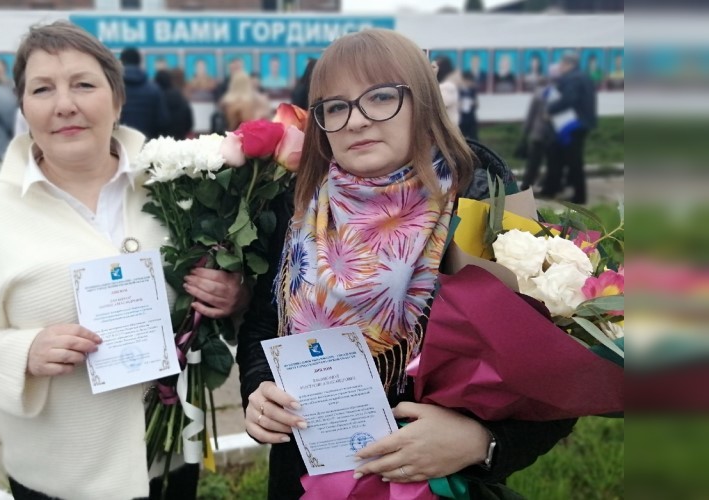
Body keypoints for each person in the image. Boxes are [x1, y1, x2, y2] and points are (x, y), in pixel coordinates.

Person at [0, 21, 249, 500]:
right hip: (59, 475)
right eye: (42, 89)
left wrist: (234, 297)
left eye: (83, 84)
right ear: (23, 107)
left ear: (117, 100)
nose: (64, 104)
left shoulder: (178, 188)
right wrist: (21, 351)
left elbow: (226, 293)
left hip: (170, 458)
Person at [236, 29, 576, 500]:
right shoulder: (298, 206)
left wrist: (482, 442)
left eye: (380, 97)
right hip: (306, 478)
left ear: (423, 103)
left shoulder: (483, 202)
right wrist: (258, 390)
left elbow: (553, 367)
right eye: (335, 106)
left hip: (441, 485)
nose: (356, 120)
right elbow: (262, 326)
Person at [540, 52, 598, 204]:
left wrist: (549, 110)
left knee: (573, 161)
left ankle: (579, 197)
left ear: (568, 64)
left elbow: (568, 99)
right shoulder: (583, 76)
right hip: (578, 124)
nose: (560, 67)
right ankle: (552, 189)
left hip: (572, 125)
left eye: (561, 64)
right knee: (560, 156)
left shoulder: (573, 78)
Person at [517, 67, 558, 192]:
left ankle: (526, 185)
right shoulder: (558, 94)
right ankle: (549, 186)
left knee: (534, 162)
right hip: (553, 134)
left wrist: (525, 132)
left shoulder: (538, 94)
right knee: (552, 162)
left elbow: (531, 114)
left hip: (538, 133)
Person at [119, 47, 169, 140]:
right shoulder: (154, 89)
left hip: (121, 143)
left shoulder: (114, 89)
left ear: (121, 62)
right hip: (147, 142)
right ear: (139, 62)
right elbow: (163, 121)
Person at [155, 68, 194, 140]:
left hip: (161, 139)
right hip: (180, 137)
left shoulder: (157, 99)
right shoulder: (181, 97)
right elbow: (189, 123)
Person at [433, 55, 460, 126]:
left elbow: (437, 104)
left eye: (434, 67)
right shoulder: (442, 85)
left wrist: (433, 77)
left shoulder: (448, 86)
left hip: (447, 127)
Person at [458, 71, 479, 141]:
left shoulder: (472, 91)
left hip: (470, 117)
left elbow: (477, 104)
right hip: (461, 118)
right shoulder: (458, 91)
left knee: (473, 136)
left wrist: (473, 103)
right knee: (462, 136)